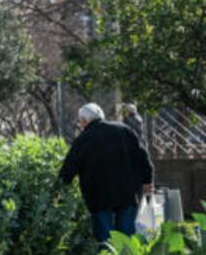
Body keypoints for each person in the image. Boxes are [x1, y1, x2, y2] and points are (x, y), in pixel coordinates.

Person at [59, 102, 154, 243]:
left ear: (85, 120)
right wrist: (147, 180)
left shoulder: (84, 138)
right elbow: (143, 157)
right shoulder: (124, 130)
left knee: (106, 241)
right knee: (125, 240)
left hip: (98, 196)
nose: (80, 125)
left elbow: (70, 166)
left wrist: (61, 187)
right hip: (127, 192)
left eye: (80, 122)